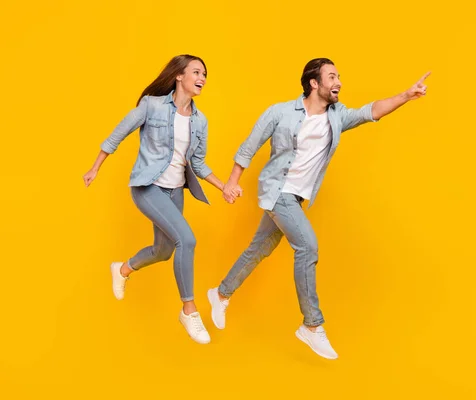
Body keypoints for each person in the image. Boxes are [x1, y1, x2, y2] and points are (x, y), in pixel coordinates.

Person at [211, 58, 430, 359]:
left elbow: (371, 111)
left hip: (296, 198)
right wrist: (231, 183)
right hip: (278, 191)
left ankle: (221, 294)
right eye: (331, 76)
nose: (338, 81)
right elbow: (249, 146)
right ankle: (312, 326)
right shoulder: (281, 112)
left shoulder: (337, 117)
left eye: (339, 76)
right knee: (307, 247)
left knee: (259, 249)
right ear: (314, 83)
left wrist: (406, 95)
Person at [83, 54, 241, 344]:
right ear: (179, 76)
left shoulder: (200, 120)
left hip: (174, 191)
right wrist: (95, 167)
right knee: (188, 240)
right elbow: (117, 135)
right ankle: (189, 310)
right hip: (147, 186)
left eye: (205, 74)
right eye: (196, 72)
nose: (202, 78)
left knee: (164, 250)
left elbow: (199, 163)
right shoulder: (152, 106)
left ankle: (122, 269)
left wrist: (224, 187)